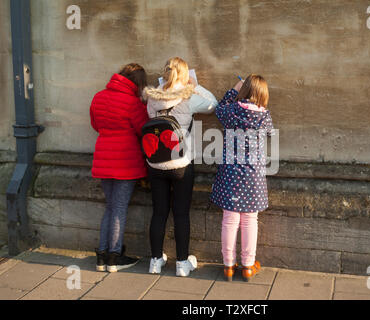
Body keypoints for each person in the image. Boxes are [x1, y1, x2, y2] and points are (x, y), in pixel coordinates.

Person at [143, 57, 218, 277]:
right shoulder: (189, 96)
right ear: (184, 75)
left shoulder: (152, 98)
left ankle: (155, 262)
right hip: (181, 164)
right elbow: (213, 104)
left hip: (155, 163)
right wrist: (195, 86)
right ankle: (182, 264)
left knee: (158, 212)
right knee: (181, 214)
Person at [210, 74, 274, 282]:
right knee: (250, 220)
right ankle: (247, 265)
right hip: (253, 175)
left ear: (244, 91)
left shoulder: (231, 111)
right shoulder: (264, 116)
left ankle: (228, 265)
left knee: (229, 219)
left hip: (230, 173)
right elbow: (270, 133)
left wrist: (233, 90)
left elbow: (219, 108)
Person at [90, 63, 149, 272]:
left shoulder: (98, 97)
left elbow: (96, 125)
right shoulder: (132, 102)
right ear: (138, 83)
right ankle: (114, 257)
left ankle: (102, 256)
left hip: (103, 157)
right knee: (119, 208)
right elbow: (144, 129)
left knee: (110, 207)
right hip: (125, 160)